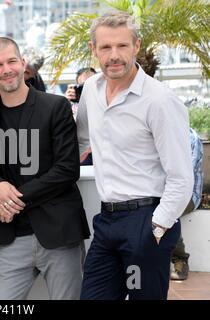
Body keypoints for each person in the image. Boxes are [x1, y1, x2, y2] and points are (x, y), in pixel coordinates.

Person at [76, 11, 193, 300]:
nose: (114, 55)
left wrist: (157, 227)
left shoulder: (160, 101)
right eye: (105, 47)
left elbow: (181, 177)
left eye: (122, 46)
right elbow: (80, 142)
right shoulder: (91, 89)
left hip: (146, 222)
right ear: (94, 50)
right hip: (107, 222)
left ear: (136, 46)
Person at [0, 37, 90, 300]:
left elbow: (67, 169)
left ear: (23, 63)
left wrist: (12, 200)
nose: (7, 69)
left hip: (59, 232)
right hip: (13, 235)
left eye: (12, 61)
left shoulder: (55, 106)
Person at [170, 127, 204, 281]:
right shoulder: (163, 134)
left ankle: (180, 259)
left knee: (169, 210)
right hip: (165, 192)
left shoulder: (191, 137)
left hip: (189, 195)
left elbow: (184, 175)